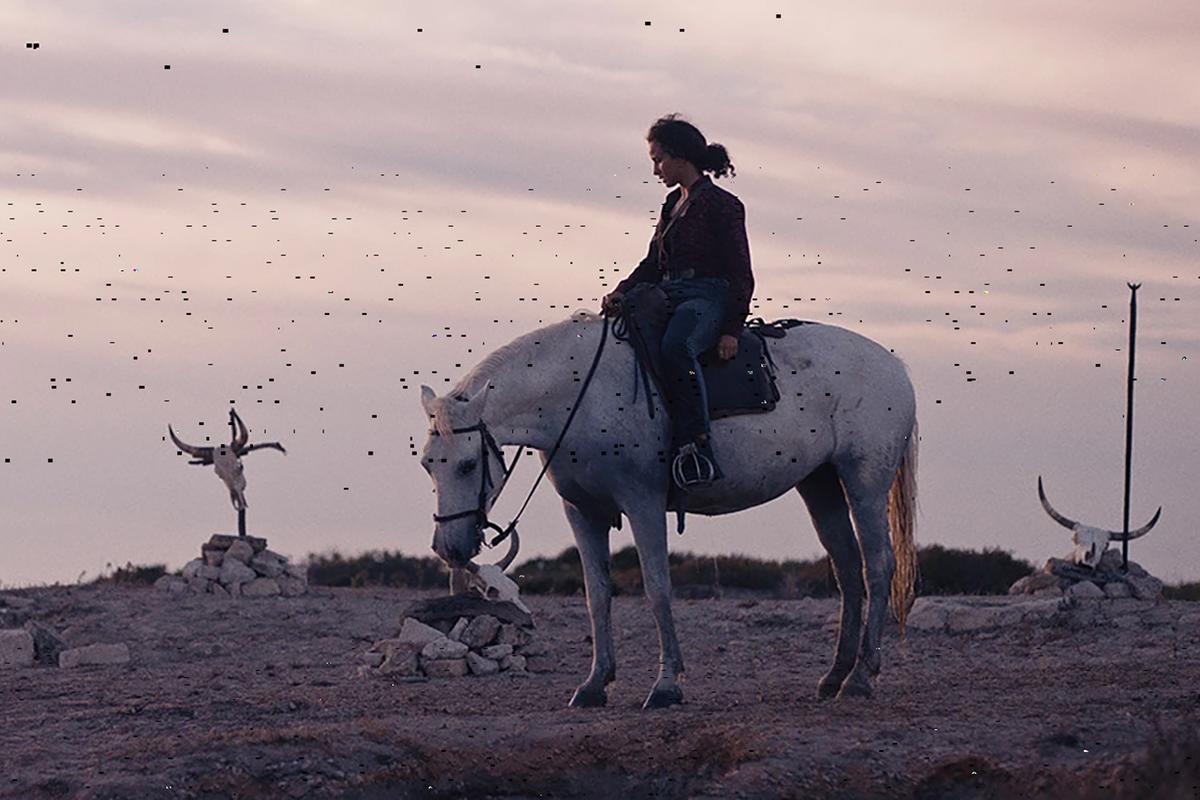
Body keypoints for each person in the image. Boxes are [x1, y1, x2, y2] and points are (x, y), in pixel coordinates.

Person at [601, 114, 754, 488]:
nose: (655, 170)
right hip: (670, 293)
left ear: (681, 157)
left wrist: (732, 328)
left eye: (659, 159)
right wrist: (621, 290)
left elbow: (741, 273)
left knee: (676, 346)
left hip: (709, 296)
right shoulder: (672, 203)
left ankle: (697, 445)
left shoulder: (722, 205)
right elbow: (653, 263)